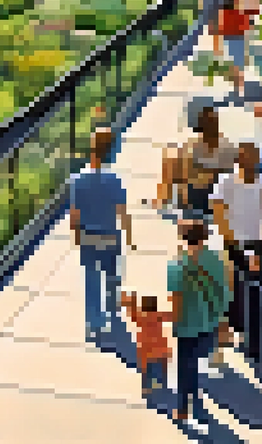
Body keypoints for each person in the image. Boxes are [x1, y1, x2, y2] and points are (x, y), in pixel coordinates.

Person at [212, 142, 262, 377]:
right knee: (236, 297)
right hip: (234, 246)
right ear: (239, 160)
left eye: (253, 157)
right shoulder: (226, 182)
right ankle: (242, 339)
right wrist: (235, 246)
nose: (250, 162)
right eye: (245, 157)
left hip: (257, 246)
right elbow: (219, 215)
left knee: (259, 298)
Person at [69, 127, 136, 338]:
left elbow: (74, 215)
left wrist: (76, 236)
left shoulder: (78, 180)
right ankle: (112, 316)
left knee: (91, 278)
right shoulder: (114, 180)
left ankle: (94, 321)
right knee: (111, 277)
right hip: (109, 236)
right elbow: (122, 213)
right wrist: (129, 237)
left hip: (89, 236)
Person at [168, 217, 233, 432]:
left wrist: (174, 323)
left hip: (186, 324)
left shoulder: (176, 264)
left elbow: (175, 298)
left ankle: (182, 408)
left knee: (184, 367)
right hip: (209, 322)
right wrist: (222, 320)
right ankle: (196, 406)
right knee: (194, 365)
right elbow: (225, 292)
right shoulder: (215, 260)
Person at [159, 106, 238, 220]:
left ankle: (168, 201)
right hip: (196, 188)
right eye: (206, 122)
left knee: (200, 177)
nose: (209, 126)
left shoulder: (226, 146)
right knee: (171, 158)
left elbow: (226, 174)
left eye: (212, 121)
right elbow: (188, 172)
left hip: (215, 190)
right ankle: (165, 200)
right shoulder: (194, 145)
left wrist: (205, 173)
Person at [122, 292, 174, 397]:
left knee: (146, 369)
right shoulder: (159, 316)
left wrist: (132, 301)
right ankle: (163, 383)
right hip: (161, 348)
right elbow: (173, 316)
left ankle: (146, 387)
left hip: (147, 349)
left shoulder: (141, 317)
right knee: (163, 367)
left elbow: (132, 314)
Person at [215, 0, 258, 100]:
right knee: (239, 64)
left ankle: (237, 87)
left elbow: (221, 28)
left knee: (234, 65)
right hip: (238, 39)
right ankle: (239, 87)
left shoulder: (223, 14)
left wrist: (218, 44)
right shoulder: (237, 14)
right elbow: (246, 26)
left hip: (229, 39)